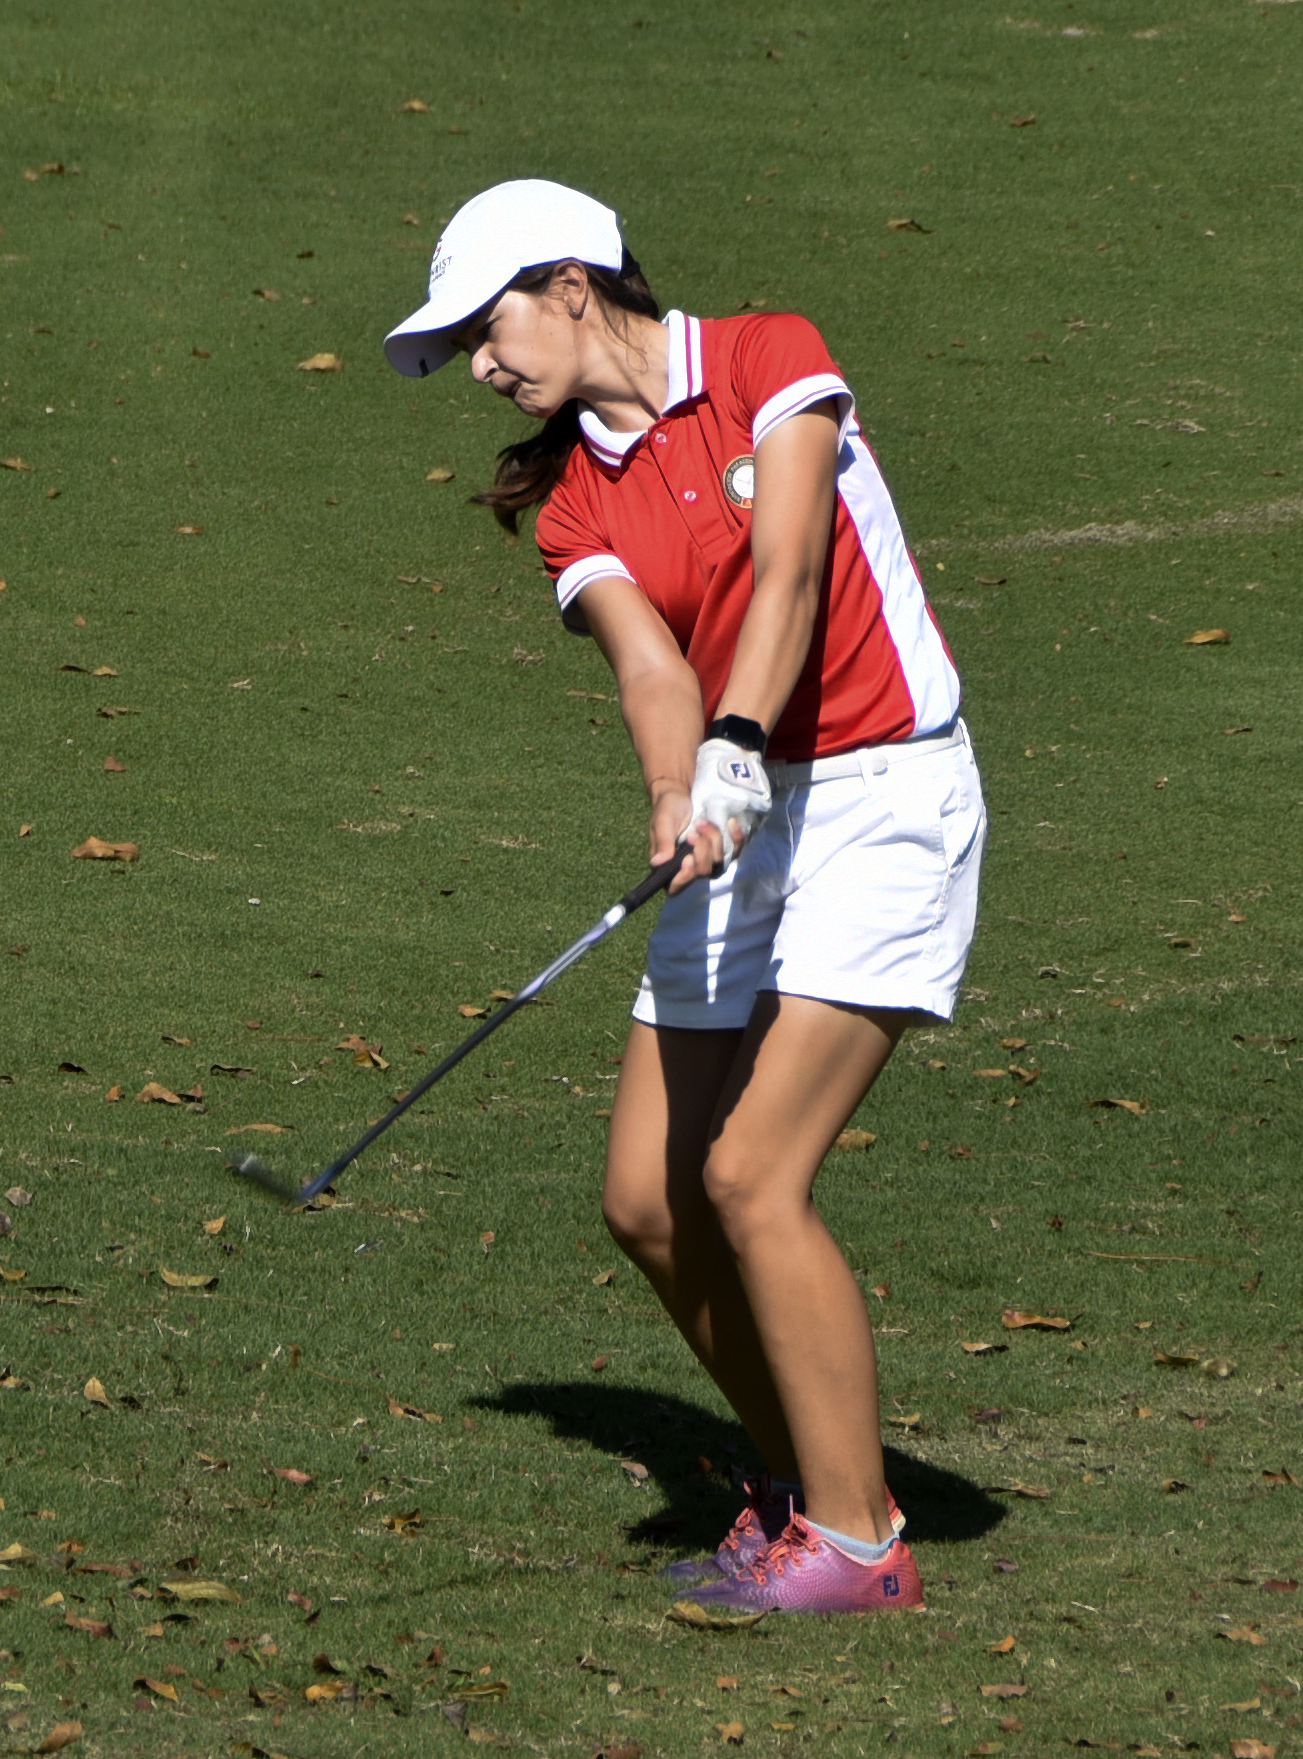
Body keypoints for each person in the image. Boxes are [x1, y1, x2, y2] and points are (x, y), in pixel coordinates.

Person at [383, 180, 984, 1614]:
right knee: (648, 1202)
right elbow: (654, 667)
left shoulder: (772, 356)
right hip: (737, 813)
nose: (480, 365)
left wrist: (735, 745)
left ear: (570, 285)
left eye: (485, 327)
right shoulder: (572, 504)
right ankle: (801, 1484)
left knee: (749, 1175)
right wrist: (679, 789)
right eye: (461, 346)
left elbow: (790, 572)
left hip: (882, 798)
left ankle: (860, 1548)